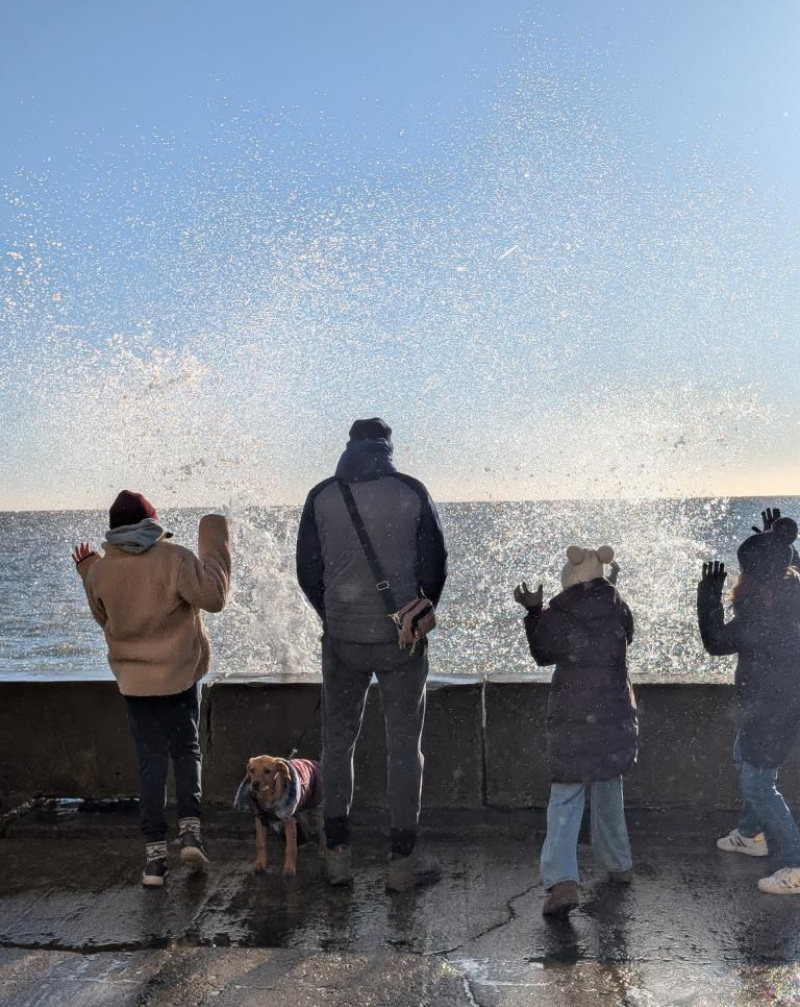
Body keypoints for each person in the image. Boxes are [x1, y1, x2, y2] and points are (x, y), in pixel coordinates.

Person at [296, 418, 448, 892]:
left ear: (349, 445)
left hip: (341, 640)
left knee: (337, 744)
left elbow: (307, 570)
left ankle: (338, 858)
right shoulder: (411, 491)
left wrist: (335, 614)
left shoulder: (322, 494)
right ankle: (402, 864)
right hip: (401, 642)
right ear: (386, 447)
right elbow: (435, 565)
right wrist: (414, 613)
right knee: (405, 748)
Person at [72, 491, 231, 887]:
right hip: (178, 677)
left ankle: (154, 861)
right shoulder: (174, 558)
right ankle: (191, 833)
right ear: (151, 522)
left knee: (150, 763)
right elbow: (214, 599)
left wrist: (88, 569)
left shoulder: (102, 572)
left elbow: (104, 618)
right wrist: (214, 544)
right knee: (186, 750)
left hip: (135, 684)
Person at [514, 546, 637, 917]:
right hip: (614, 717)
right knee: (608, 791)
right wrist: (611, 586)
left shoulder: (561, 614)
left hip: (571, 720)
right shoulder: (618, 607)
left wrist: (534, 611)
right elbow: (626, 631)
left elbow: (542, 652)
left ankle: (564, 882)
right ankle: (619, 866)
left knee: (565, 800)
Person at [698, 509, 800, 895]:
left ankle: (795, 864)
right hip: (776, 705)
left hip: (772, 711)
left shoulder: (762, 616)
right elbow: (789, 567)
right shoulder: (790, 595)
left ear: (755, 578)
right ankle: (748, 834)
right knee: (745, 761)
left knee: (760, 784)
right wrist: (778, 541)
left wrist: (707, 595)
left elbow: (715, 642)